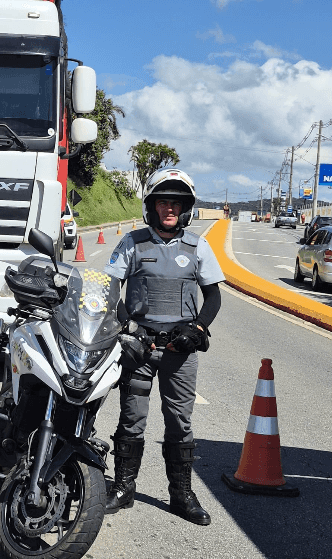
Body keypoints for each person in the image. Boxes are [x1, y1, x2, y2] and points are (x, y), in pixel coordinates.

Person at [103, 168, 224, 526]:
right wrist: (128, 326)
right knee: (132, 418)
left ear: (185, 209)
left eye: (176, 203)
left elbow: (213, 297)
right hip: (139, 348)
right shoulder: (132, 243)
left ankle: (182, 494)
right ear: (152, 206)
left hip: (179, 352)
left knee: (180, 421)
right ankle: (123, 488)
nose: (169, 209)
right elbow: (112, 291)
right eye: (162, 202)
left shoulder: (198, 246)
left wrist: (198, 328)